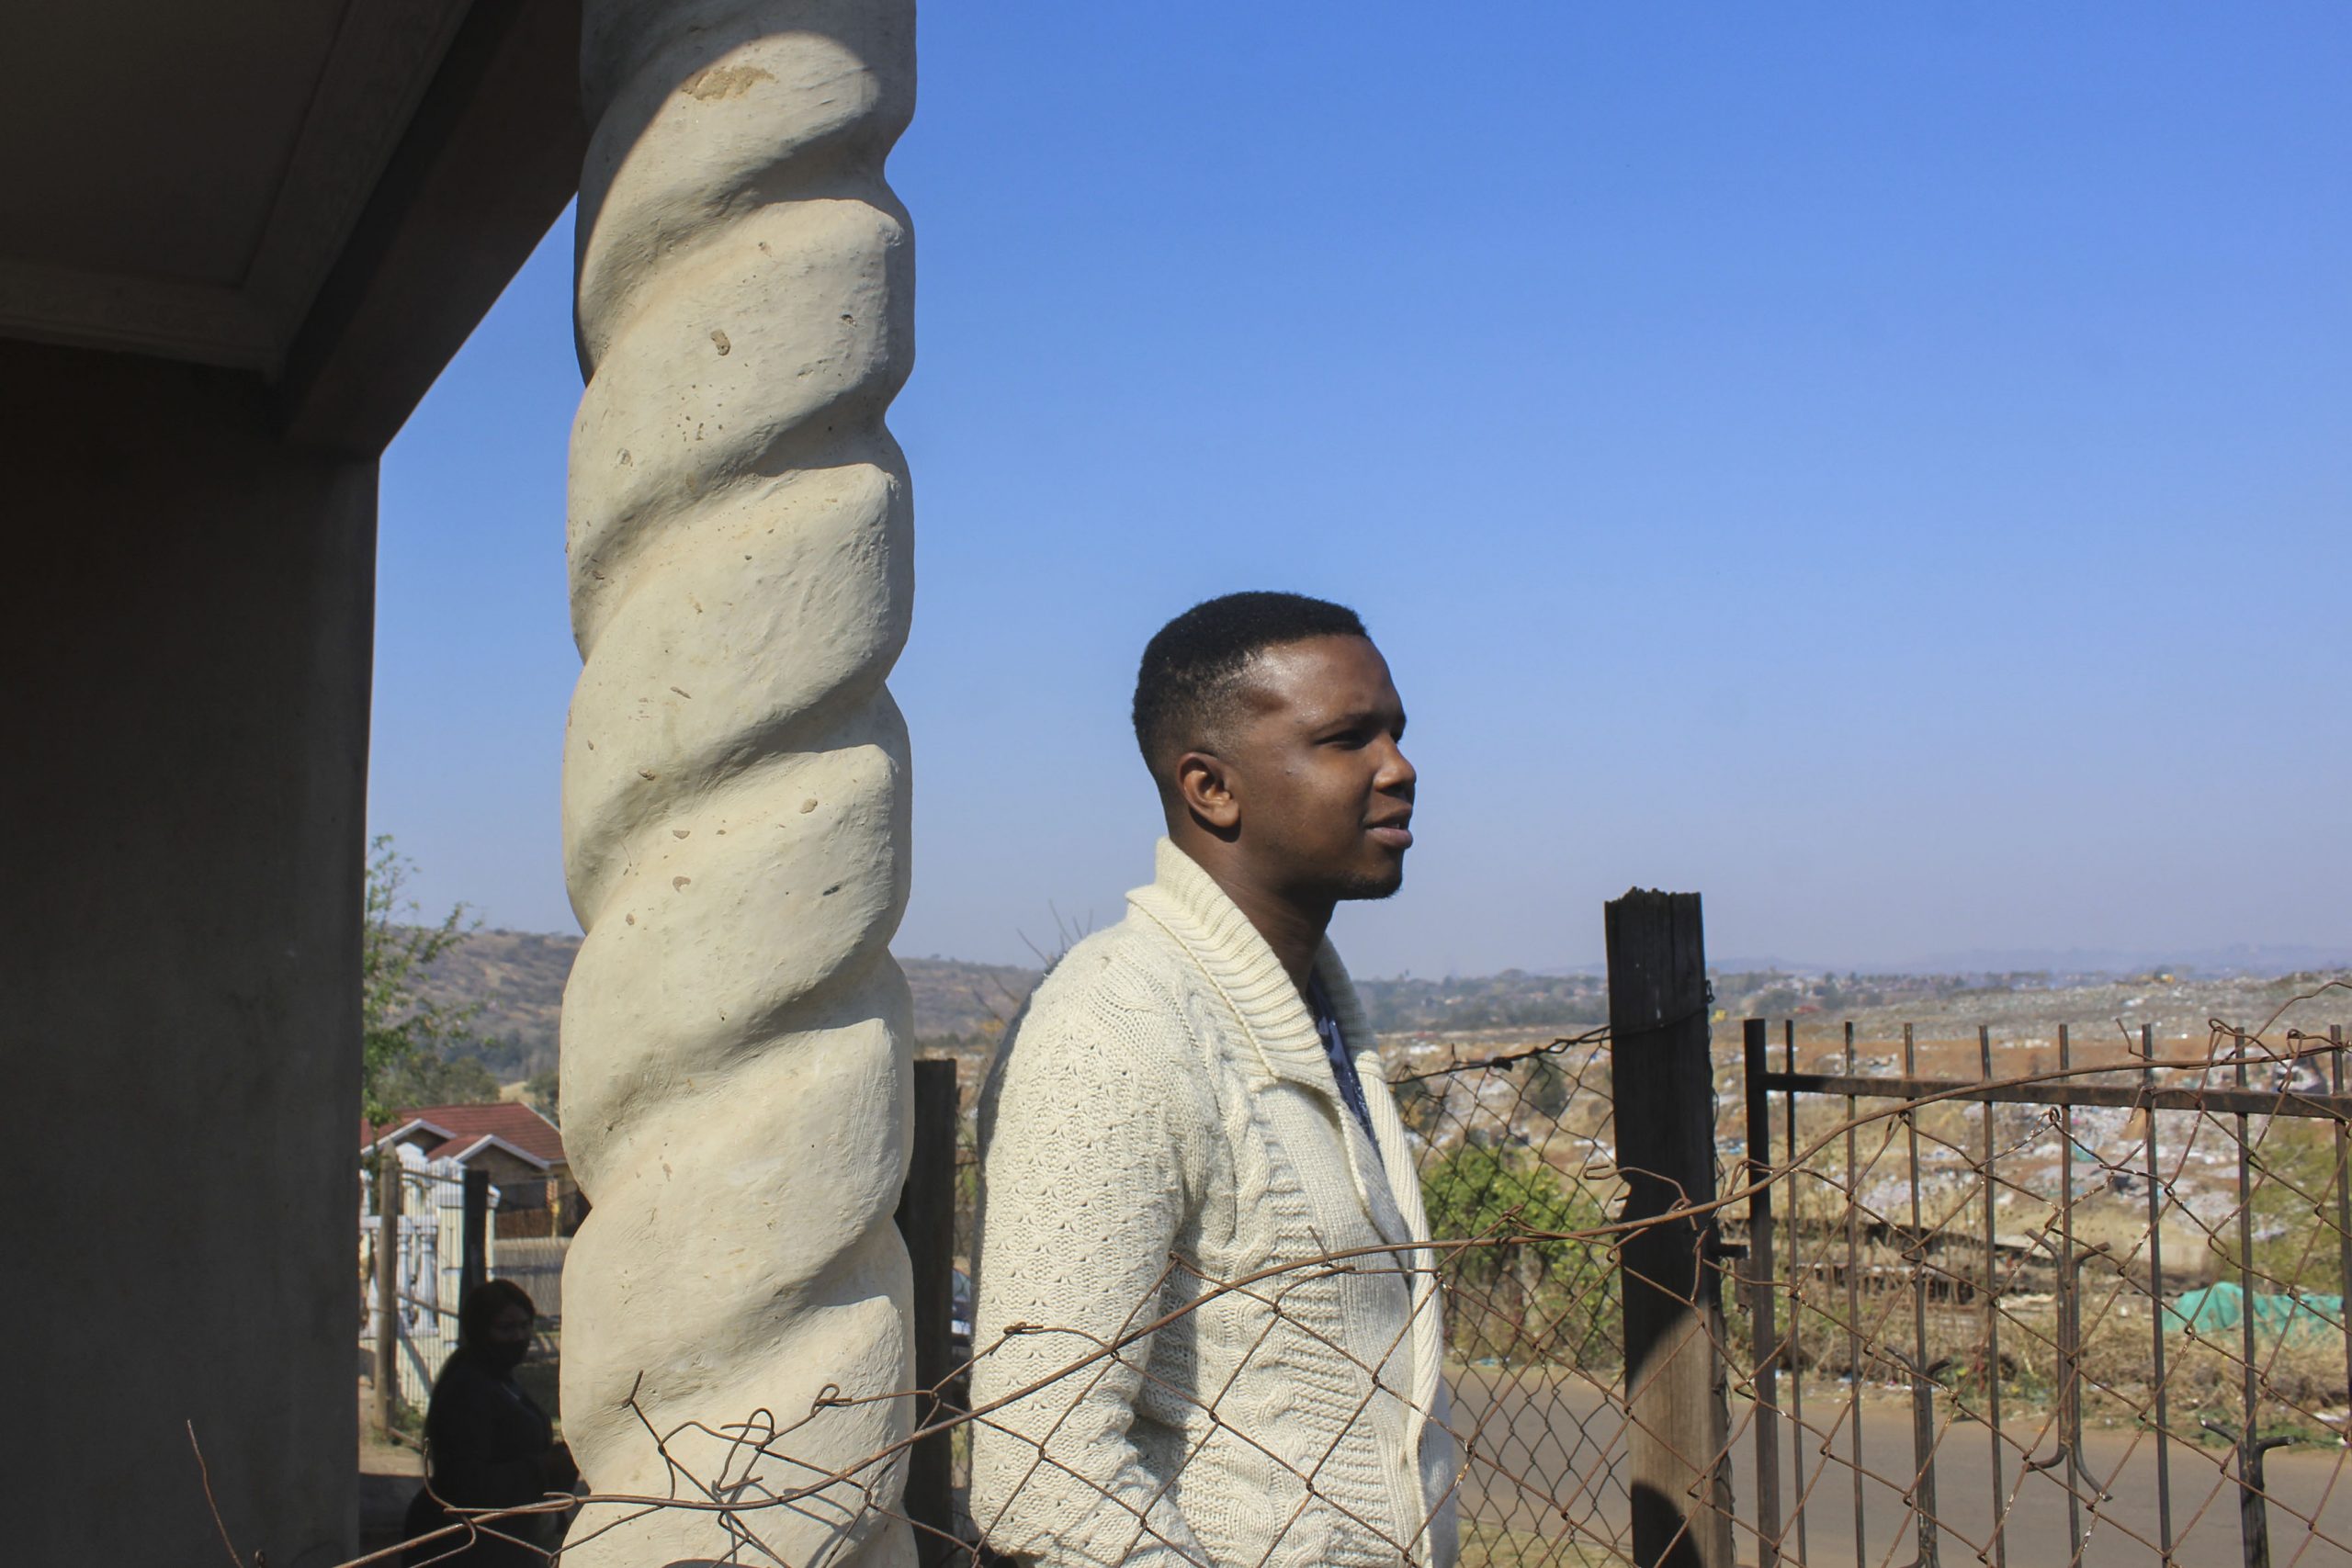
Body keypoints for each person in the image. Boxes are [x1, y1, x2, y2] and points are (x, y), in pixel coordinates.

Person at [969, 592, 1458, 1568]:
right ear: (1210, 787)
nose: (1397, 768)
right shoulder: (1115, 1030)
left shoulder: (1312, 1013)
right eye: (1345, 739)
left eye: (1395, 733)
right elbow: (1037, 1472)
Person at [404, 1279, 577, 1566]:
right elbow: (463, 1482)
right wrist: (542, 1468)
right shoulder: (467, 1389)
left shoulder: (501, 1380)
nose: (519, 1337)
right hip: (466, 1545)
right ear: (480, 1331)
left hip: (502, 1536)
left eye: (525, 1326)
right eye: (506, 1328)